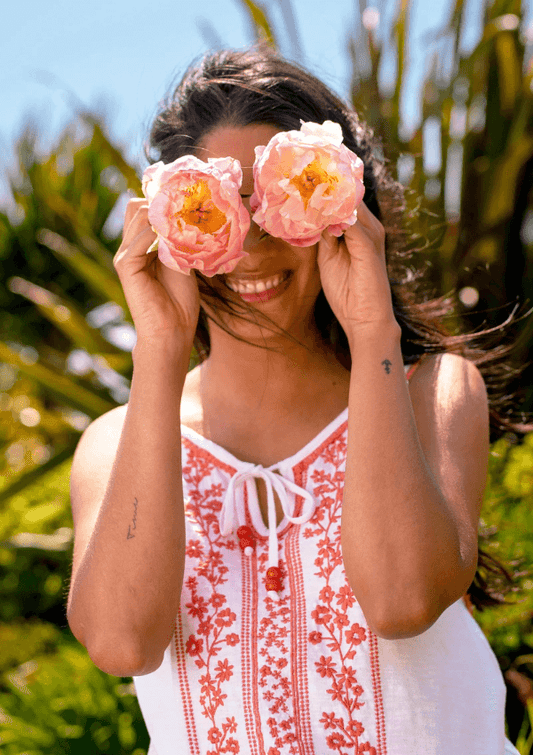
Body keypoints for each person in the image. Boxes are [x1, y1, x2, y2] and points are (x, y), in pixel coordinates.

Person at [66, 45, 528, 755]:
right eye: (217, 209)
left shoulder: (431, 393)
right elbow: (123, 640)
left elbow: (401, 598)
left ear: (345, 205)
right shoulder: (116, 441)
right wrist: (158, 354)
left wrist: (370, 322)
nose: (251, 244)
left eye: (282, 201)